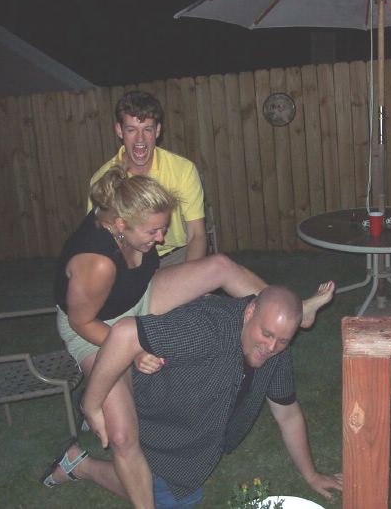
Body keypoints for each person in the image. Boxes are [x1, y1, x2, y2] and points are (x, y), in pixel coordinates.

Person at [44, 165, 334, 507]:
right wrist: (132, 354)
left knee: (220, 266)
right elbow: (81, 322)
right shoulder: (96, 263)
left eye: (163, 228)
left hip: (135, 295)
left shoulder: (129, 215)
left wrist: (194, 289)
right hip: (94, 326)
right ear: (121, 225)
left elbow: (158, 269)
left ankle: (294, 310)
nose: (161, 239)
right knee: (122, 435)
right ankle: (86, 461)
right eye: (154, 231)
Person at [77, 285, 342, 507]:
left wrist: (311, 474)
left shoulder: (275, 352)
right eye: (267, 334)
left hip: (194, 437)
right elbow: (124, 332)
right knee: (173, 498)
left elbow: (287, 414)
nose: (271, 347)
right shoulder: (208, 328)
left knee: (183, 492)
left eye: (283, 340)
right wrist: (91, 404)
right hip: (153, 424)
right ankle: (79, 465)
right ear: (250, 312)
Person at [89, 90, 206, 266]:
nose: (140, 139)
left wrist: (191, 275)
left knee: (221, 264)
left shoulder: (183, 170)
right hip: (127, 261)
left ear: (157, 130)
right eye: (131, 130)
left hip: (176, 257)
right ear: (119, 130)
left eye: (147, 129)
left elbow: (197, 234)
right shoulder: (102, 179)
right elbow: (99, 239)